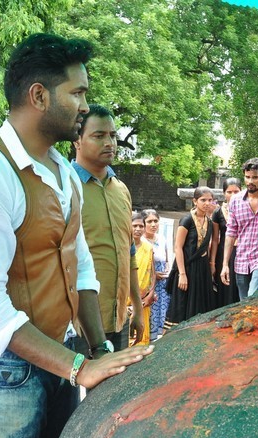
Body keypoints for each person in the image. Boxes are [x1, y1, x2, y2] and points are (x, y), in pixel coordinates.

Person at [0, 33, 153, 438]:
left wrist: (98, 348)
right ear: (39, 95)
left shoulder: (61, 170)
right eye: (76, 93)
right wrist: (80, 368)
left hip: (62, 354)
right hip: (7, 371)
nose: (84, 105)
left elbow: (80, 266)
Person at [72, 103, 145, 352]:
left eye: (113, 135)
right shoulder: (66, 188)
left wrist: (137, 308)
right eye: (99, 135)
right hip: (77, 323)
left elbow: (129, 254)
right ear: (77, 141)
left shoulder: (121, 190)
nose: (109, 143)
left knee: (114, 389)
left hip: (119, 320)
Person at [220, 158, 258, 300]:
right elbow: (231, 233)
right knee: (244, 302)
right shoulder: (235, 201)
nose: (250, 181)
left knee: (252, 296)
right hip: (241, 258)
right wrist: (225, 264)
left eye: (255, 177)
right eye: (247, 177)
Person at [165, 186, 216, 328]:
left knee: (200, 303)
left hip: (202, 268)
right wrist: (182, 274)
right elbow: (178, 247)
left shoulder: (210, 222)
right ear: (195, 201)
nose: (207, 203)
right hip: (186, 267)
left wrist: (211, 264)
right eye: (203, 200)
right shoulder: (186, 220)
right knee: (183, 305)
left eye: (210, 200)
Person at [211, 177, 241, 307]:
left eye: (236, 191)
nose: (233, 195)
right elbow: (215, 238)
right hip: (224, 254)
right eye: (229, 192)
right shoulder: (218, 212)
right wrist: (212, 262)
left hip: (242, 253)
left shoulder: (247, 208)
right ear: (224, 193)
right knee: (225, 288)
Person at [142, 208, 170, 339]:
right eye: (149, 222)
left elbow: (167, 258)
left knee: (161, 313)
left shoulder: (162, 238)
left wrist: (166, 270)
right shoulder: (140, 242)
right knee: (149, 314)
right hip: (147, 283)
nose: (153, 225)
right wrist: (154, 275)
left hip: (162, 283)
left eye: (156, 221)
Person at [130, 211, 156, 345]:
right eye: (134, 226)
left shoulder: (148, 248)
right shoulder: (123, 248)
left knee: (142, 339)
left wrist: (150, 294)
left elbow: (152, 273)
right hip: (126, 301)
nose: (138, 229)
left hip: (144, 300)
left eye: (141, 226)